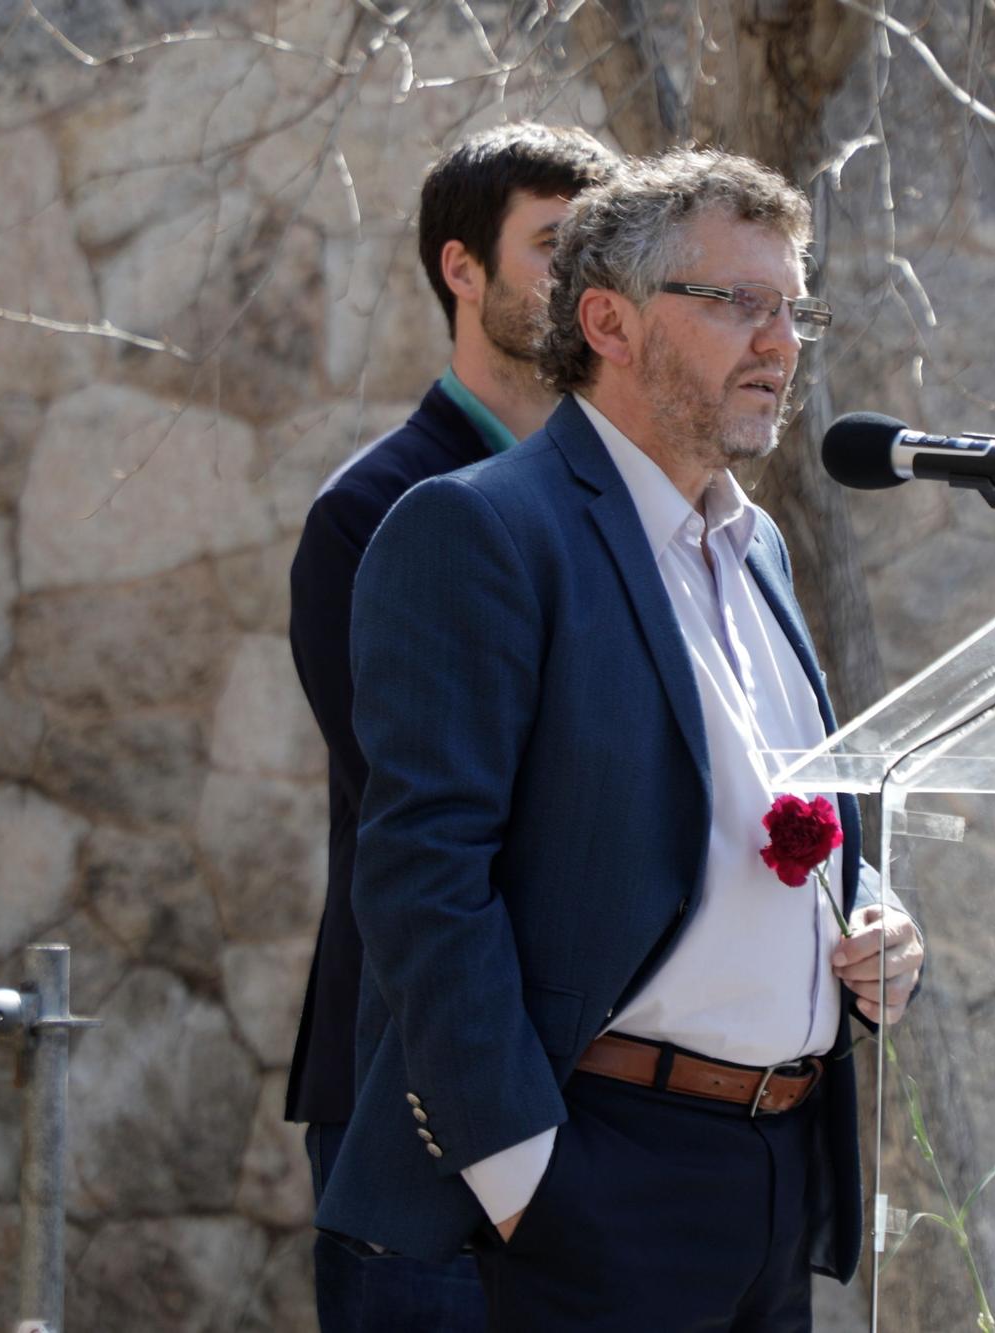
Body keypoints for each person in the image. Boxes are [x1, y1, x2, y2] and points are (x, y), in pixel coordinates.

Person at [315, 148, 925, 1331]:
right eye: (736, 303)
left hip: (772, 1181)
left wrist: (870, 910)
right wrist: (522, 1176)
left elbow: (764, 809)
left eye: (793, 308)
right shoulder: (480, 531)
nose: (780, 342)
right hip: (591, 1178)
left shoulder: (759, 549)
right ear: (608, 320)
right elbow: (422, 875)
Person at [285, 121, 615, 1332]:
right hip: (414, 1082)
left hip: (614, 1088)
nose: (585, 278)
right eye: (551, 247)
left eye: (601, 247)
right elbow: (425, 827)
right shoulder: (366, 516)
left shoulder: (626, 510)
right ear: (459, 268)